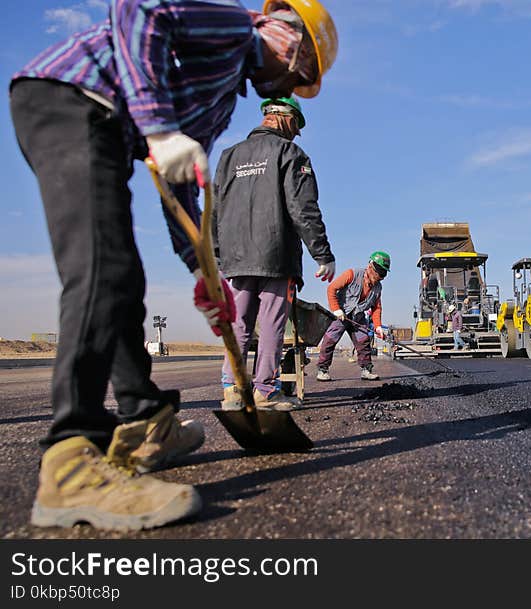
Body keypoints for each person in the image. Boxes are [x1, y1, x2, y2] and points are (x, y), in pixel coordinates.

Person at [9, 0, 337, 531]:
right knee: (101, 272)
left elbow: (180, 179)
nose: (289, 83)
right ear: (288, 39)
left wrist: (201, 268)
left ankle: (145, 420)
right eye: (298, 74)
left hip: (104, 125)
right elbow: (138, 9)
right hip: (68, 98)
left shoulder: (222, 100)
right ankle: (71, 462)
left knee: (124, 280)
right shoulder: (233, 26)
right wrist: (159, 128)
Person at [213, 97, 334, 412]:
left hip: (235, 258)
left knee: (238, 322)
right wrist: (322, 254)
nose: (296, 134)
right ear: (287, 118)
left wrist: (218, 253)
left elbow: (214, 210)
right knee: (271, 324)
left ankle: (232, 390)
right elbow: (303, 209)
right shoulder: (289, 153)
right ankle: (265, 391)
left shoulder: (228, 157)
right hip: (275, 255)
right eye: (297, 127)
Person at [316, 252, 391, 381]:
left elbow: (376, 308)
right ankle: (323, 370)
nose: (380, 277)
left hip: (358, 317)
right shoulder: (352, 274)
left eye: (383, 274)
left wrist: (378, 327)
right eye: (379, 272)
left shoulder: (378, 287)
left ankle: (366, 370)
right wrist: (336, 309)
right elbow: (331, 288)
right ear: (370, 266)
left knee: (364, 342)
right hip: (341, 315)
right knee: (329, 340)